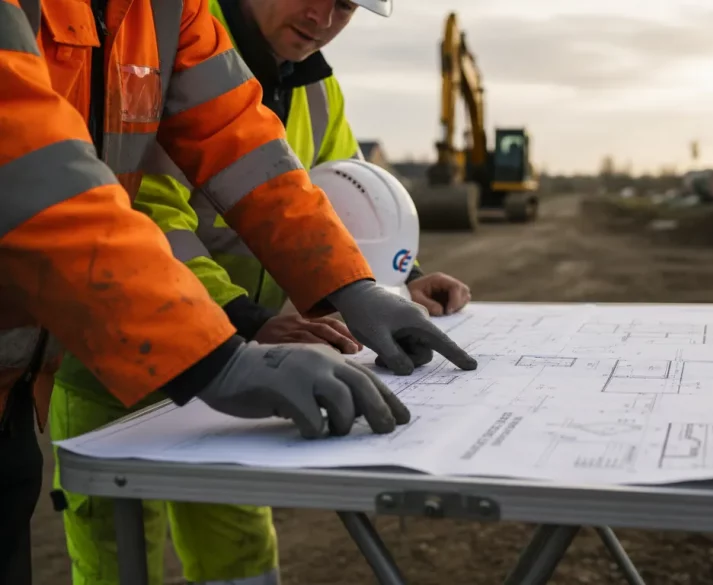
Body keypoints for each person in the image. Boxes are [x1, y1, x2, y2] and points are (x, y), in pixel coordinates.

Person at [0, 0, 476, 582]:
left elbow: (241, 144)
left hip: (15, 386)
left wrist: (352, 284)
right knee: (112, 550)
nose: (326, 16)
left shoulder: (169, 11)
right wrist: (218, 351)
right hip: (117, 353)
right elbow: (28, 169)